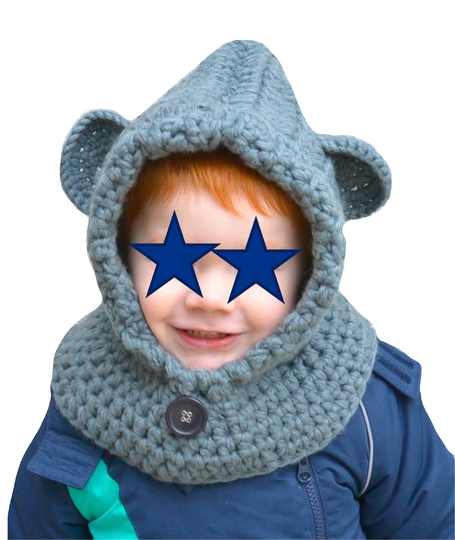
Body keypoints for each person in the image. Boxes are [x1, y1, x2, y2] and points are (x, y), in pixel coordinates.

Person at [8, 40, 454, 539]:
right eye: (176, 258)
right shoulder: (88, 394)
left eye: (253, 265)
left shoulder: (367, 403)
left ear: (310, 275)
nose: (210, 298)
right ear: (121, 259)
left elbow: (435, 523)